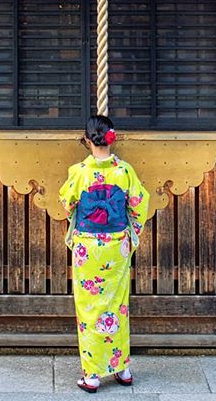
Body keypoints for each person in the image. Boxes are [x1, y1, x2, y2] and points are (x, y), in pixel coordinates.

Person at [59, 114, 150, 393]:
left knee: (89, 308)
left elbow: (67, 202)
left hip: (89, 245)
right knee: (117, 305)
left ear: (87, 140)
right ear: (113, 137)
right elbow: (138, 204)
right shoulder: (124, 171)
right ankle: (122, 368)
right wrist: (130, 234)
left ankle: (93, 375)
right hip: (116, 245)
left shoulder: (80, 172)